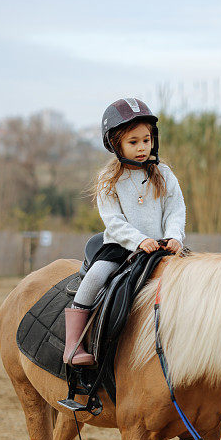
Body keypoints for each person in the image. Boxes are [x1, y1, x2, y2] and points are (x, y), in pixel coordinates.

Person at [63, 97, 186, 366]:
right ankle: (73, 345)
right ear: (116, 144)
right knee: (95, 277)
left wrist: (175, 236)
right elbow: (113, 221)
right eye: (133, 142)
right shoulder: (109, 179)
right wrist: (140, 240)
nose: (142, 147)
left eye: (146, 140)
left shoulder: (164, 174)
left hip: (163, 247)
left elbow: (175, 209)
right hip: (122, 246)